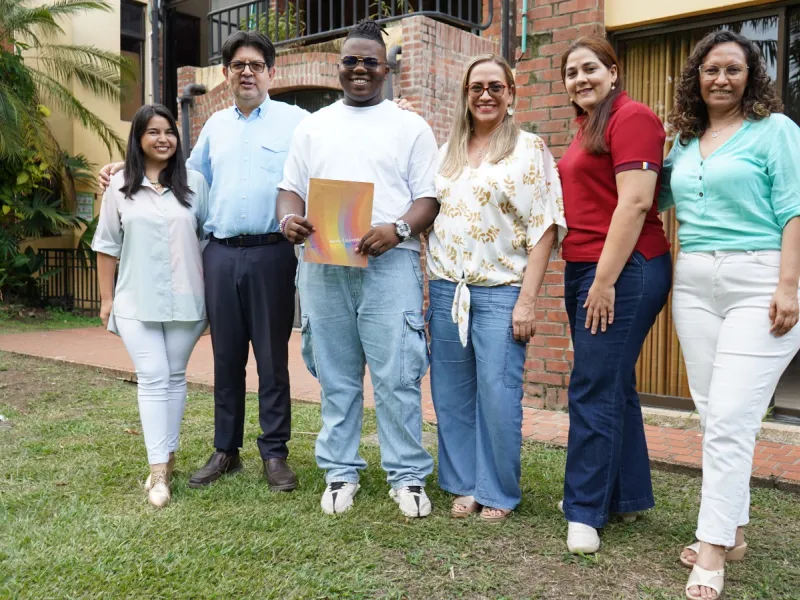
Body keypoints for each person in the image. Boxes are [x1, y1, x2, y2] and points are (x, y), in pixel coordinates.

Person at [100, 31, 307, 492]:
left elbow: (330, 155)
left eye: (256, 65)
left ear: (271, 72)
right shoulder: (214, 126)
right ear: (226, 73)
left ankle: (275, 453)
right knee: (225, 358)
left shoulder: (297, 123)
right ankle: (225, 450)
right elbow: (182, 176)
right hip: (219, 255)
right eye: (238, 66)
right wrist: (123, 166)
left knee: (272, 360)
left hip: (272, 253)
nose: (247, 73)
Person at [276, 19, 438, 517]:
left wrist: (399, 229)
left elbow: (428, 199)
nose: (360, 68)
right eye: (351, 61)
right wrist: (288, 220)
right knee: (336, 375)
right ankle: (340, 471)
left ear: (386, 69)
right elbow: (290, 189)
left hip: (390, 265)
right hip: (324, 265)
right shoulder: (313, 126)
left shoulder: (410, 127)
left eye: (370, 61)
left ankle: (407, 477)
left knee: (397, 376)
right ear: (339, 67)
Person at [659, 31, 800, 600]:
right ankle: (733, 530)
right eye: (711, 69)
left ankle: (713, 545)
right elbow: (651, 195)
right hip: (694, 282)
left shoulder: (775, 130)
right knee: (715, 413)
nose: (721, 79)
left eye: (733, 69)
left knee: (731, 419)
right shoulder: (684, 140)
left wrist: (789, 285)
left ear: (750, 77)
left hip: (759, 279)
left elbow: (795, 210)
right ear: (697, 77)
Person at [425, 54, 566, 522]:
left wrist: (528, 300)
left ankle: (498, 491)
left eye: (495, 87)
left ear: (510, 94)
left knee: (499, 393)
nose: (485, 95)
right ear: (465, 95)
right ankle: (464, 484)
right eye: (476, 87)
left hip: (501, 290)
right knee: (451, 393)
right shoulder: (446, 151)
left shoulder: (530, 149)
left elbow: (545, 226)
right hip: (447, 289)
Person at [556, 36, 672, 554]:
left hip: (624, 268)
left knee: (592, 385)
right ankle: (624, 495)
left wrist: (604, 282)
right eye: (571, 73)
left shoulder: (633, 118)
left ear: (613, 71)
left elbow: (636, 204)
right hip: (587, 265)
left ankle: (584, 511)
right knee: (613, 383)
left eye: (590, 69)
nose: (581, 79)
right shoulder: (590, 125)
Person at [92, 104, 209, 508]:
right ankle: (158, 471)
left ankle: (167, 460)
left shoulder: (195, 182)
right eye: (153, 132)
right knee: (154, 375)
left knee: (174, 377)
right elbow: (107, 244)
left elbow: (207, 239)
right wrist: (106, 299)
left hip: (187, 299)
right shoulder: (119, 184)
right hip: (134, 300)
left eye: (169, 131)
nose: (163, 139)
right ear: (138, 138)